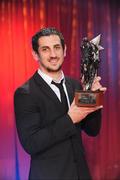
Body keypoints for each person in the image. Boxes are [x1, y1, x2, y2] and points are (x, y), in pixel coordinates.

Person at [14, 27, 106, 180]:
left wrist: (94, 96)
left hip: (80, 175)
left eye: (57, 48)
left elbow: (92, 130)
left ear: (64, 50)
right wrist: (70, 119)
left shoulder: (75, 85)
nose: (53, 55)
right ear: (35, 54)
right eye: (45, 49)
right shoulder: (25, 93)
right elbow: (31, 143)